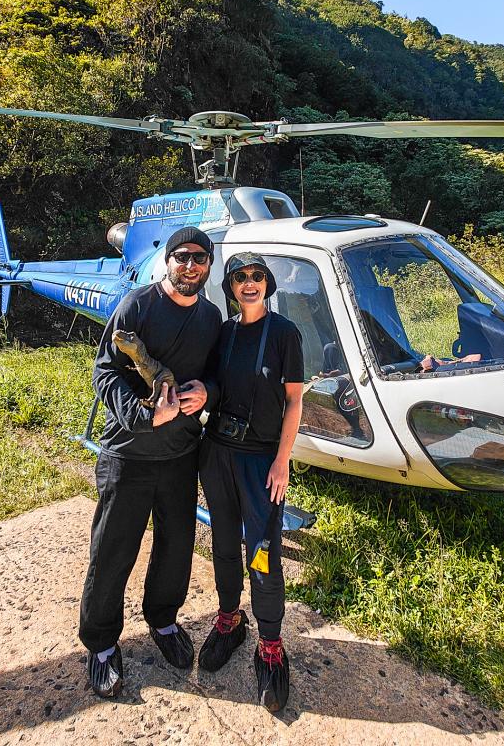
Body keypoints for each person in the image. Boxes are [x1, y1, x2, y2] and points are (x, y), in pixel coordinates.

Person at [79, 226, 222, 699]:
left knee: (177, 548)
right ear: (167, 260)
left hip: (180, 455)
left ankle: (162, 621)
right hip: (129, 454)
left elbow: (215, 377)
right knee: (114, 550)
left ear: (209, 265)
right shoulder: (137, 306)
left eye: (200, 258)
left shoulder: (210, 317)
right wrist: (142, 414)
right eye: (182, 256)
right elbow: (104, 372)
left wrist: (207, 393)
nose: (190, 265)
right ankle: (100, 644)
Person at [197, 253, 304, 713]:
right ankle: (229, 619)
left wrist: (282, 461)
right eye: (240, 277)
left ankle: (271, 644)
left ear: (268, 284)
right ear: (230, 286)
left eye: (257, 276)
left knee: (262, 551)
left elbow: (295, 403)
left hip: (261, 462)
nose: (249, 284)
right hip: (217, 454)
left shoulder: (284, 334)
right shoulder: (223, 333)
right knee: (223, 541)